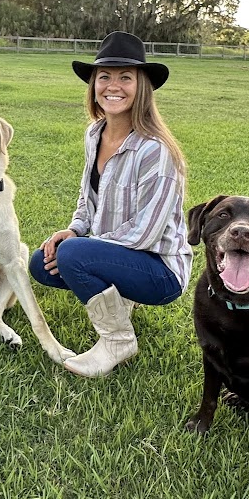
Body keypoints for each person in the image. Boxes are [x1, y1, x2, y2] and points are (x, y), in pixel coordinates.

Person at [29, 31, 192, 377]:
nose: (112, 86)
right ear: (93, 85)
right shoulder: (95, 133)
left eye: (125, 78)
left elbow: (145, 235)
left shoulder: (155, 150)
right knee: (41, 263)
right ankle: (119, 299)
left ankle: (117, 340)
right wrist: (73, 229)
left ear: (141, 86)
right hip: (121, 253)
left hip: (160, 270)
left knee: (72, 255)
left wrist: (82, 248)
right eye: (104, 76)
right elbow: (87, 197)